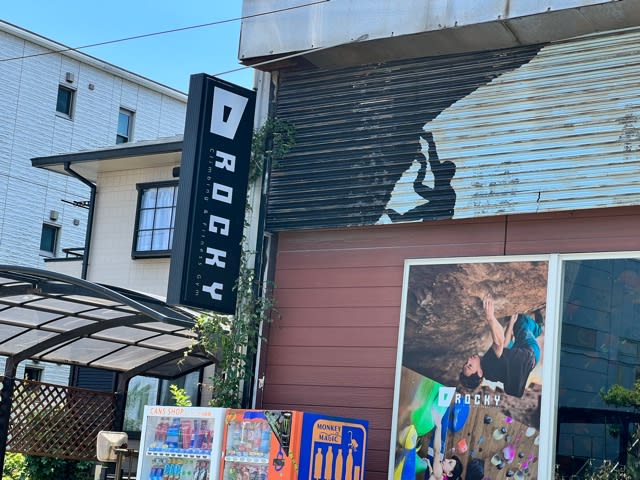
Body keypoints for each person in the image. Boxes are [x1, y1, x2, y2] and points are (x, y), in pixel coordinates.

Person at [459, 295, 543, 398]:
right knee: (521, 322)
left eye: (466, 363)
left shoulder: (489, 373)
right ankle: (538, 328)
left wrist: (511, 323)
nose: (468, 360)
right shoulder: (488, 363)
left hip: (521, 357)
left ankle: (527, 329)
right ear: (479, 373)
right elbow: (499, 341)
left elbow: (504, 346)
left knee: (514, 327)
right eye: (470, 365)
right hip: (530, 351)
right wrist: (490, 317)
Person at [426, 407, 463, 480]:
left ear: (449, 474)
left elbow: (437, 452)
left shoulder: (439, 472)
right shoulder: (441, 475)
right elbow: (434, 476)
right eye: (449, 460)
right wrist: (429, 466)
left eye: (449, 463)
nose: (446, 460)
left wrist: (439, 427)